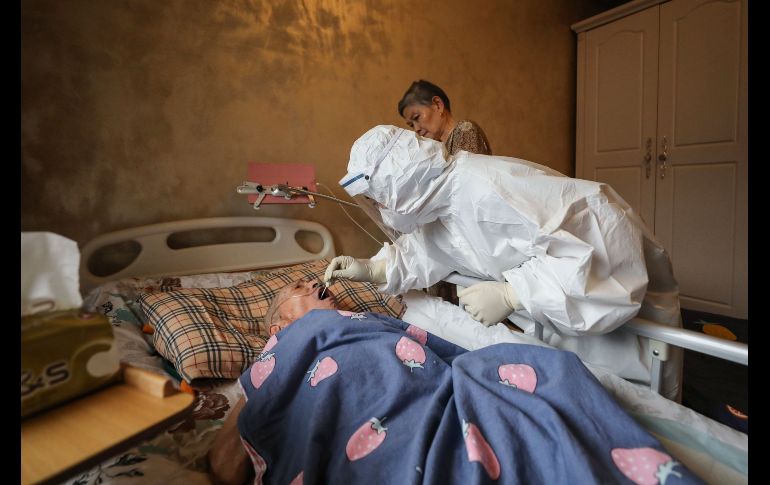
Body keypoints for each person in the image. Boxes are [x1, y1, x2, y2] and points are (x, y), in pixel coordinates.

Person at [209, 279, 703, 484]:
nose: (314, 286)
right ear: (276, 326)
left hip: (442, 395)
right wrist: (260, 380)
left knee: (542, 367)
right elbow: (223, 462)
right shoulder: (277, 355)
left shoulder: (361, 321)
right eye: (293, 289)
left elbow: (438, 358)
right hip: (372, 428)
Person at [325, 125, 683, 401]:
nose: (381, 209)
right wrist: (374, 269)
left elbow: (607, 242)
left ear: (398, 184)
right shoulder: (443, 203)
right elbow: (428, 249)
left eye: (377, 198)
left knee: (646, 409)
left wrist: (515, 294)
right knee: (592, 398)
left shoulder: (489, 186)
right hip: (565, 323)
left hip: (625, 318)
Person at [398, 79, 491, 156]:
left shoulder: (465, 129)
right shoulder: (436, 151)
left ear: (438, 105)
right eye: (411, 125)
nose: (416, 129)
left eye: (417, 117)